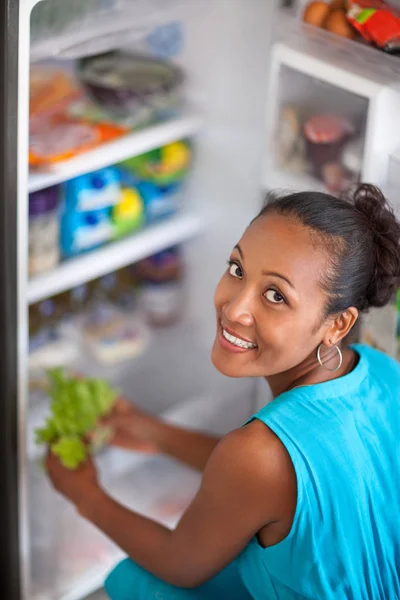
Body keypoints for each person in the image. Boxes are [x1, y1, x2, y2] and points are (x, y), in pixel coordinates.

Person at [46, 184, 400, 599]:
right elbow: (275, 485)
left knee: (134, 580)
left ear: (337, 324)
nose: (233, 309)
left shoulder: (257, 455)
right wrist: (151, 432)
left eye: (275, 295)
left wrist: (82, 492)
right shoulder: (380, 369)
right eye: (237, 269)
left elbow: (181, 564)